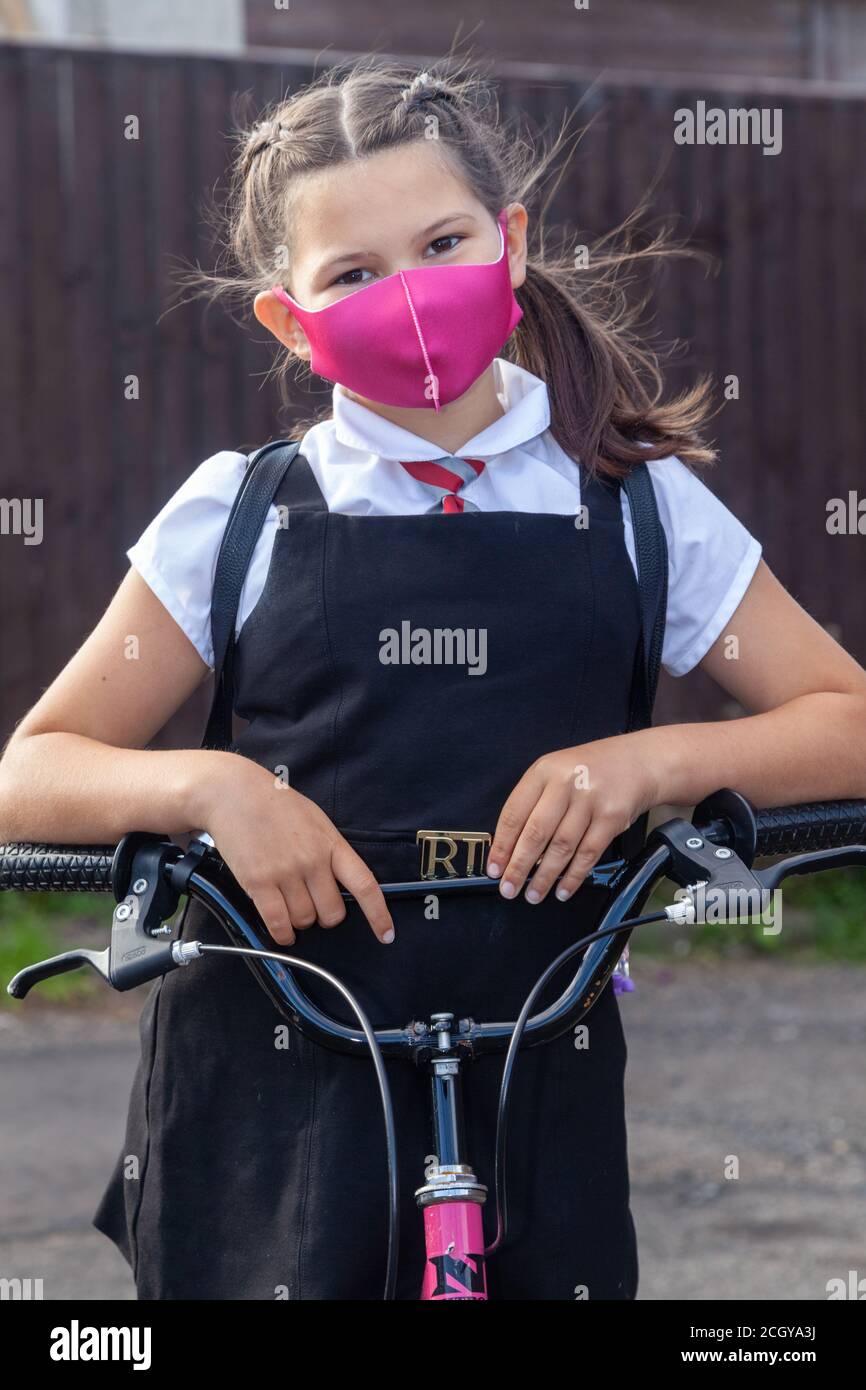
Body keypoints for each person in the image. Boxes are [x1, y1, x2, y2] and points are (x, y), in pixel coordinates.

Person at [2, 59, 865, 1302]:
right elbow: (31, 773)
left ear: (508, 245)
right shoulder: (236, 514)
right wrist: (211, 787)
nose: (405, 296)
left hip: (533, 1071)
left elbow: (842, 723)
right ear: (290, 324)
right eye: (352, 274)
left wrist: (658, 762)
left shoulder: (633, 507)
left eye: (441, 241)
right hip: (269, 1096)